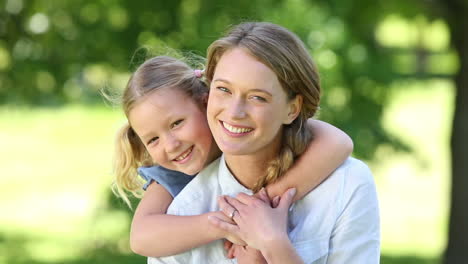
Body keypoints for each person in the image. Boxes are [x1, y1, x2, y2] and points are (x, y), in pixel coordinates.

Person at [147, 22, 380, 264]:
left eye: (258, 97)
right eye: (224, 89)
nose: (235, 112)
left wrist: (274, 244)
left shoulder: (347, 186)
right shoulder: (184, 213)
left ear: (292, 109)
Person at [111, 55, 354, 260]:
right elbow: (140, 238)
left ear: (206, 103)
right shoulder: (169, 176)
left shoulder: (244, 133)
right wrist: (223, 224)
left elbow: (339, 143)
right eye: (153, 140)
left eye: (177, 123)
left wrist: (260, 205)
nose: (171, 145)